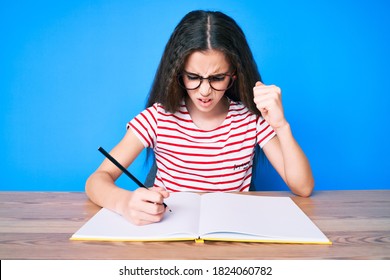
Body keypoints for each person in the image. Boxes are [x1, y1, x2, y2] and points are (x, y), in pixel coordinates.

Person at [86, 10, 314, 225]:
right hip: (168, 235)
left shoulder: (250, 119)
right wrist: (125, 203)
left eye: (217, 78)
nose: (204, 91)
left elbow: (303, 188)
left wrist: (281, 126)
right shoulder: (158, 117)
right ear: (178, 74)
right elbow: (96, 180)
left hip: (232, 237)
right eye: (193, 77)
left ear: (233, 76)